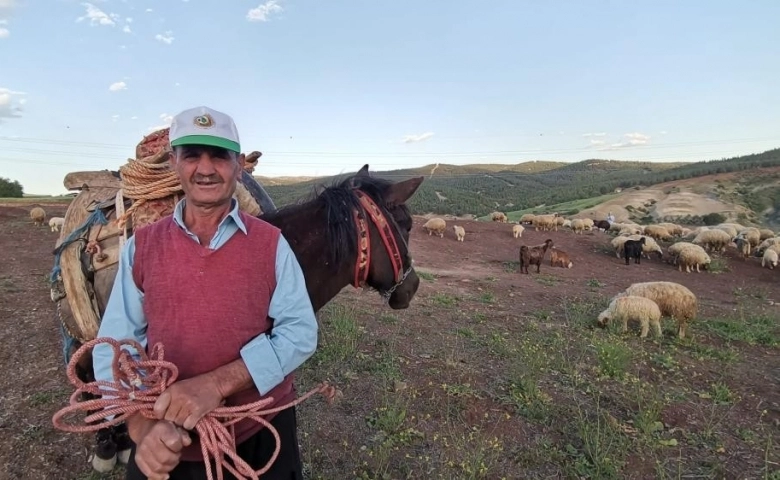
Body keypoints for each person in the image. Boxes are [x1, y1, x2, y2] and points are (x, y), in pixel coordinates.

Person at [92, 106, 319, 480]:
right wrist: (142, 428)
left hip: (258, 429)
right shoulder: (141, 246)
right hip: (165, 436)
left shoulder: (271, 244)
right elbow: (115, 345)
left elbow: (299, 332)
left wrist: (215, 384)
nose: (206, 168)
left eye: (220, 155)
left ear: (240, 165)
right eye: (192, 155)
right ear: (173, 163)